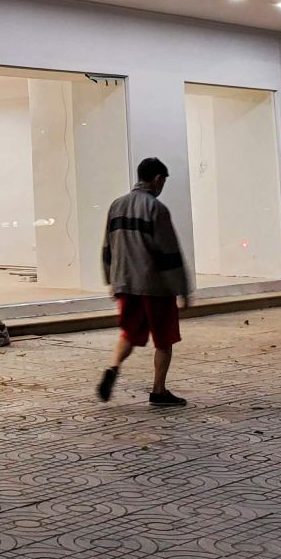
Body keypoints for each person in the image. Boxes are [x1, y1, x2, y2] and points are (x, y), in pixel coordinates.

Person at [97, 157, 191, 407]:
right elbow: (170, 252)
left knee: (129, 333)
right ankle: (159, 391)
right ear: (158, 179)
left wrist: (111, 279)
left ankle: (113, 367)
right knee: (164, 340)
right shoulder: (156, 209)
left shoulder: (116, 205)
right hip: (155, 286)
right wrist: (182, 289)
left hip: (126, 283)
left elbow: (108, 247)